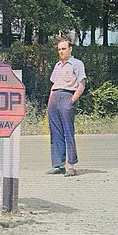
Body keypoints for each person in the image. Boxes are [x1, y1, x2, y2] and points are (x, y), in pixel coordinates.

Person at [47, 38, 86, 176]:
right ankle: (59, 164)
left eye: (63, 49)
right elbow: (53, 84)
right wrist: (50, 99)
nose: (61, 52)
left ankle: (70, 165)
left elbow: (82, 84)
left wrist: (72, 100)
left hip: (67, 96)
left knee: (68, 131)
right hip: (54, 98)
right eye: (59, 49)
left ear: (70, 49)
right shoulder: (58, 65)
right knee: (55, 132)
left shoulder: (77, 64)